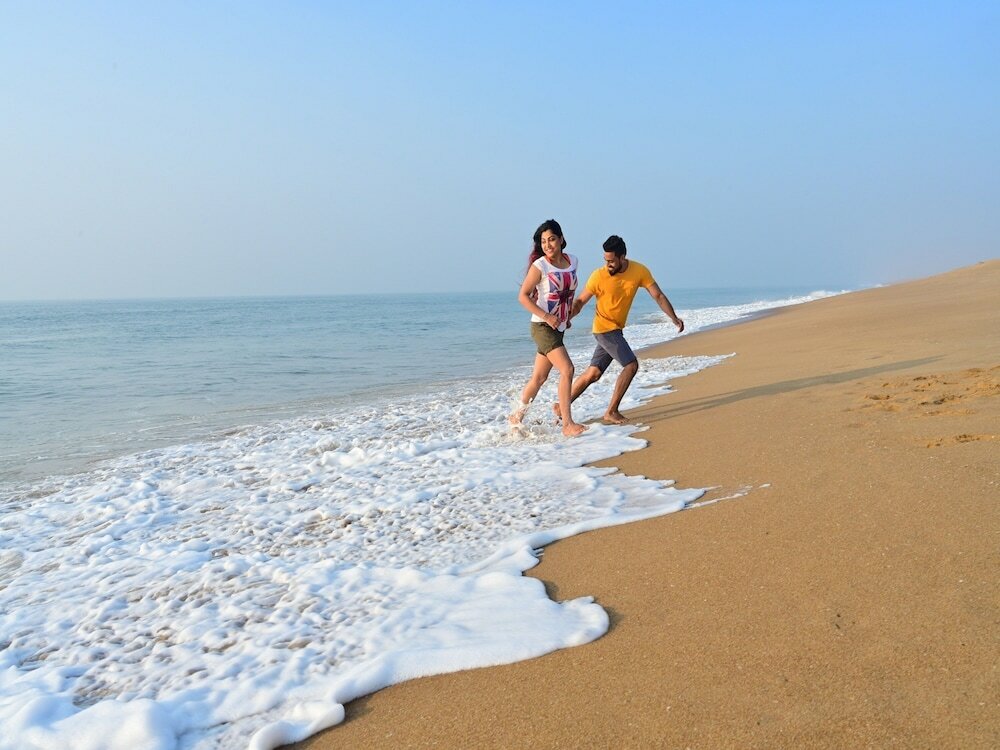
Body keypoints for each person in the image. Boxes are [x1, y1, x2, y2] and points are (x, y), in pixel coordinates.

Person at [562, 234, 685, 425]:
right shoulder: (598, 276)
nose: (608, 264)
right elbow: (579, 302)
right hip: (604, 329)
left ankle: (561, 407)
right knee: (631, 365)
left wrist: (673, 317)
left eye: (611, 261)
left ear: (622, 257)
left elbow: (658, 295)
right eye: (605, 260)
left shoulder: (639, 271)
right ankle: (611, 411)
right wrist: (565, 318)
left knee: (593, 373)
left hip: (615, 330)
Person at [510, 219, 587, 437]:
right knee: (567, 369)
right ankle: (567, 424)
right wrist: (547, 316)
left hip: (558, 327)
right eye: (543, 242)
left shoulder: (573, 261)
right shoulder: (540, 266)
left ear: (561, 239)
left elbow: (568, 293)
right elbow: (523, 297)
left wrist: (566, 317)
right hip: (542, 326)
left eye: (551, 239)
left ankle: (516, 416)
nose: (548, 245)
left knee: (539, 378)